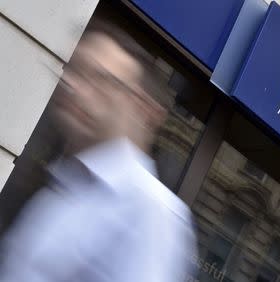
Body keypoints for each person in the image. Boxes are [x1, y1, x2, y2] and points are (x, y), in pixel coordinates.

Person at [0, 20, 196, 282]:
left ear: (141, 107)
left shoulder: (151, 211)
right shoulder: (63, 185)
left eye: (101, 80)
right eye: (75, 73)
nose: (76, 89)